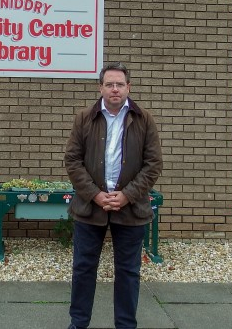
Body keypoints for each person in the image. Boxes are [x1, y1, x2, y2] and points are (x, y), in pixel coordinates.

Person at [64, 62, 163, 329]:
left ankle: (126, 325)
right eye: (109, 84)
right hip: (90, 207)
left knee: (129, 273)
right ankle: (78, 323)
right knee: (83, 270)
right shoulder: (84, 118)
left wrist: (128, 195)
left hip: (130, 208)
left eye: (120, 84)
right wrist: (95, 194)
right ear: (101, 88)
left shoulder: (145, 119)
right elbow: (73, 161)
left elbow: (153, 164)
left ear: (128, 87)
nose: (115, 89)